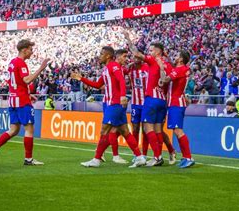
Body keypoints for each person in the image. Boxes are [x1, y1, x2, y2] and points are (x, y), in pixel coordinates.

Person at [71, 46, 146, 168]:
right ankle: (139, 157)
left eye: (101, 54)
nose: (99, 56)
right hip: (113, 104)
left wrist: (122, 96)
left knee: (104, 130)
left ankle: (96, 159)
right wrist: (81, 78)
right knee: (125, 131)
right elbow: (97, 85)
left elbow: (121, 80)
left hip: (115, 103)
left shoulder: (113, 66)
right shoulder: (107, 69)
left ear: (108, 56)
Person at [0, 39, 49, 166]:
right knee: (29, 129)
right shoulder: (21, 64)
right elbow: (27, 80)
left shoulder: (12, 63)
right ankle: (28, 159)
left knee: (13, 129)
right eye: (30, 50)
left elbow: (16, 83)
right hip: (22, 101)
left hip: (13, 99)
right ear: (24, 50)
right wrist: (41, 68)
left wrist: (28, 94)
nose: (32, 52)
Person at [125, 31, 168, 167]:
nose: (149, 52)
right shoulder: (167, 64)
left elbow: (137, 54)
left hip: (151, 99)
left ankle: (156, 156)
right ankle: (159, 156)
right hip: (162, 100)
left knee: (147, 127)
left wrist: (128, 39)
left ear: (157, 51)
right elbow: (165, 81)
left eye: (151, 50)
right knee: (157, 129)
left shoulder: (153, 60)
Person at [157, 50, 195, 168]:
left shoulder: (181, 69)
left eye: (177, 55)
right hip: (175, 103)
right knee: (176, 130)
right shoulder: (180, 69)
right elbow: (172, 70)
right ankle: (186, 156)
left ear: (181, 59)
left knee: (178, 131)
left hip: (176, 104)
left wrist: (161, 68)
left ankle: (188, 157)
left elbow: (165, 80)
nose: (175, 57)